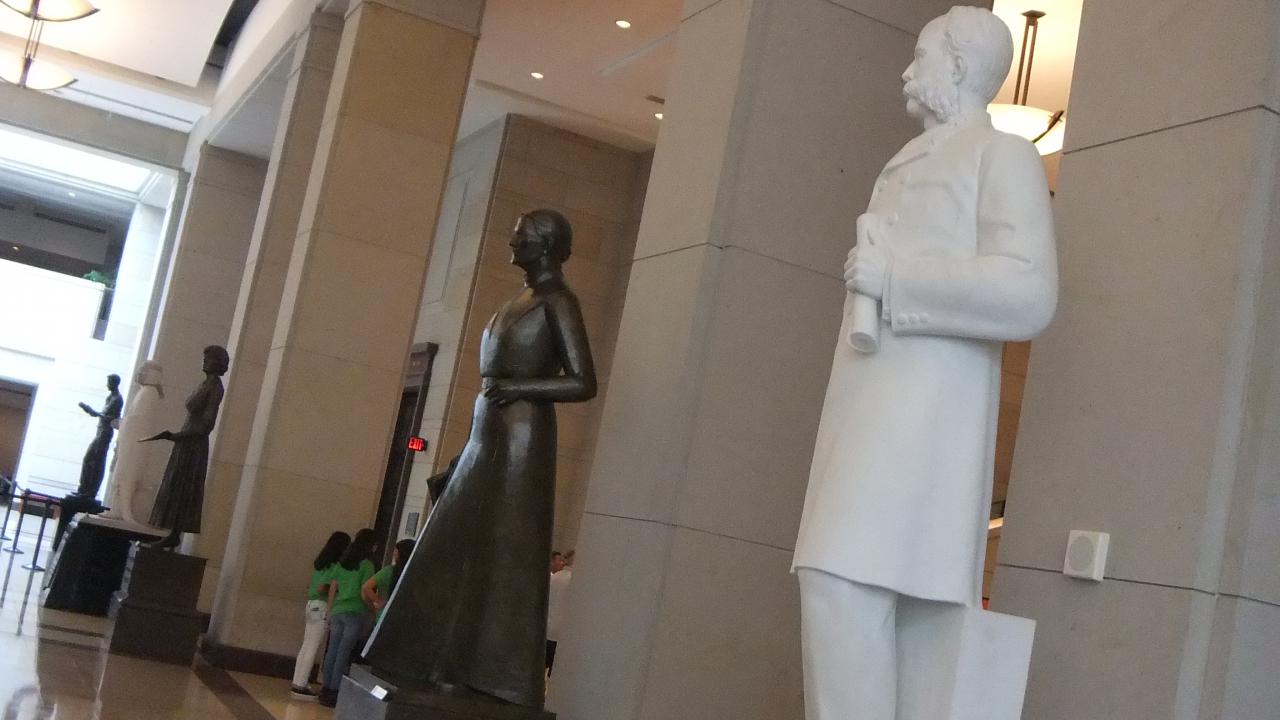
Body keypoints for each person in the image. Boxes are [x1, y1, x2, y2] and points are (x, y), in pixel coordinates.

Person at [792, 7, 1058, 720]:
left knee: (841, 580)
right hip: (871, 400)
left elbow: (1030, 292)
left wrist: (898, 280)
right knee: (866, 595)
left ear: (960, 67)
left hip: (928, 411)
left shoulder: (1002, 155)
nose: (908, 71)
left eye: (922, 56)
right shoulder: (906, 160)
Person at [363, 209, 596, 709]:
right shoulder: (521, 299)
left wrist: (520, 388)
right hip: (490, 428)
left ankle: (479, 672)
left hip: (522, 437)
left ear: (544, 244)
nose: (512, 241)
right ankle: (435, 659)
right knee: (456, 543)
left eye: (521, 235)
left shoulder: (559, 301)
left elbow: (583, 381)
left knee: (499, 550)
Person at [145, 346, 229, 549]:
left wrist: (177, 436)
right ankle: (172, 533)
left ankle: (175, 534)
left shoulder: (215, 387)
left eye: (208, 359)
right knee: (176, 485)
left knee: (183, 488)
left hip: (193, 444)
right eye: (204, 358)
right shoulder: (206, 384)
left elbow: (207, 423)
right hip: (187, 440)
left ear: (217, 363)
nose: (204, 361)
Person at [289, 531, 351, 700]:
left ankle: (297, 682)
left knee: (306, 645)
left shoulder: (321, 563)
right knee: (313, 647)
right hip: (322, 606)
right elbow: (323, 588)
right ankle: (301, 685)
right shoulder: (335, 566)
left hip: (311, 605)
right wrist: (337, 591)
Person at [319, 528, 377, 707]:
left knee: (332, 650)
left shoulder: (342, 563)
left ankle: (325, 687)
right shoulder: (367, 566)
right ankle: (335, 691)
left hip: (338, 610)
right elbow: (364, 592)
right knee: (344, 653)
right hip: (355, 612)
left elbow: (333, 587)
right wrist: (372, 609)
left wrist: (330, 610)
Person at [102, 361, 164, 523]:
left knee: (127, 475)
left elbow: (137, 421)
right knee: (122, 474)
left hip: (135, 443)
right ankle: (117, 508)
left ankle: (125, 511)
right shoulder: (145, 392)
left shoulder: (148, 393)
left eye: (144, 371)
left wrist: (122, 424)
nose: (140, 373)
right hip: (131, 440)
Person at [74, 373, 123, 499]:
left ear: (114, 383)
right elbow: (104, 414)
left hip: (105, 433)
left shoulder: (117, 399)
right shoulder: (110, 397)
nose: (107, 385)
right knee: (88, 459)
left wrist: (94, 412)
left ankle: (91, 492)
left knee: (97, 462)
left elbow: (113, 418)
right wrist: (93, 412)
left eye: (109, 382)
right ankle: (83, 489)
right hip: (100, 431)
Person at [362, 538, 415, 623]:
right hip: (404, 617)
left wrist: (378, 601)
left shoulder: (389, 571)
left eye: (396, 551)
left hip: (383, 615)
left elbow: (366, 587)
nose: (394, 553)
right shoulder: (413, 573)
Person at [545, 549, 573, 676]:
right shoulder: (574, 581)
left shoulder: (553, 578)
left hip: (548, 629)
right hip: (562, 634)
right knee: (554, 674)